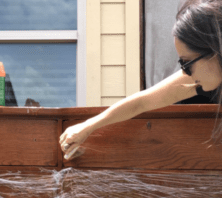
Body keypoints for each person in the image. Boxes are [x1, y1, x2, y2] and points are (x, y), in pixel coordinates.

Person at [60, 0, 222, 160]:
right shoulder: (203, 74)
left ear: (214, 51)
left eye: (186, 63)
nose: (186, 73)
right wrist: (87, 127)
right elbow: (143, 102)